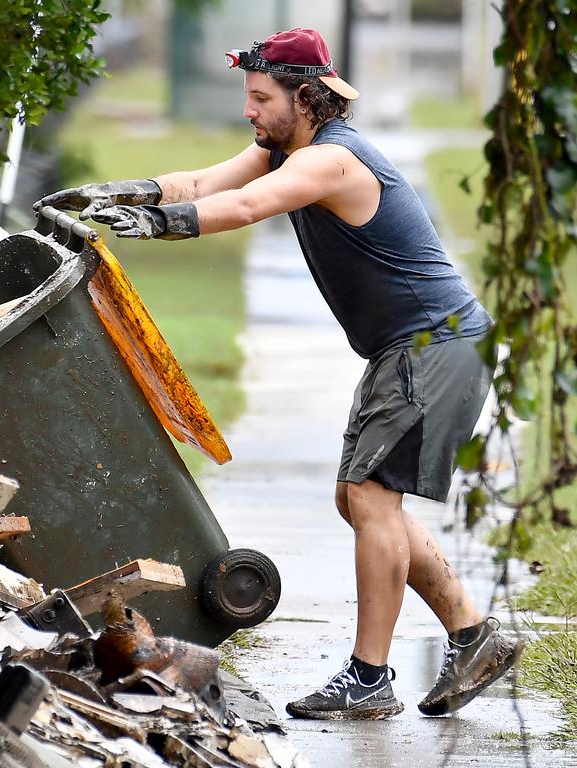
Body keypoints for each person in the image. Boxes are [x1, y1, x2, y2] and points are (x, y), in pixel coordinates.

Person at [34, 27, 524, 721]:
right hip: (410, 348)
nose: (250, 111)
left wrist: (157, 226)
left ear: (305, 96)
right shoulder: (284, 148)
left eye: (261, 97)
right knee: (358, 501)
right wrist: (121, 194)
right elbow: (207, 183)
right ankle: (473, 637)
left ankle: (369, 677)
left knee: (371, 498)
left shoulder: (330, 162)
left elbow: (245, 206)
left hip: (433, 345)